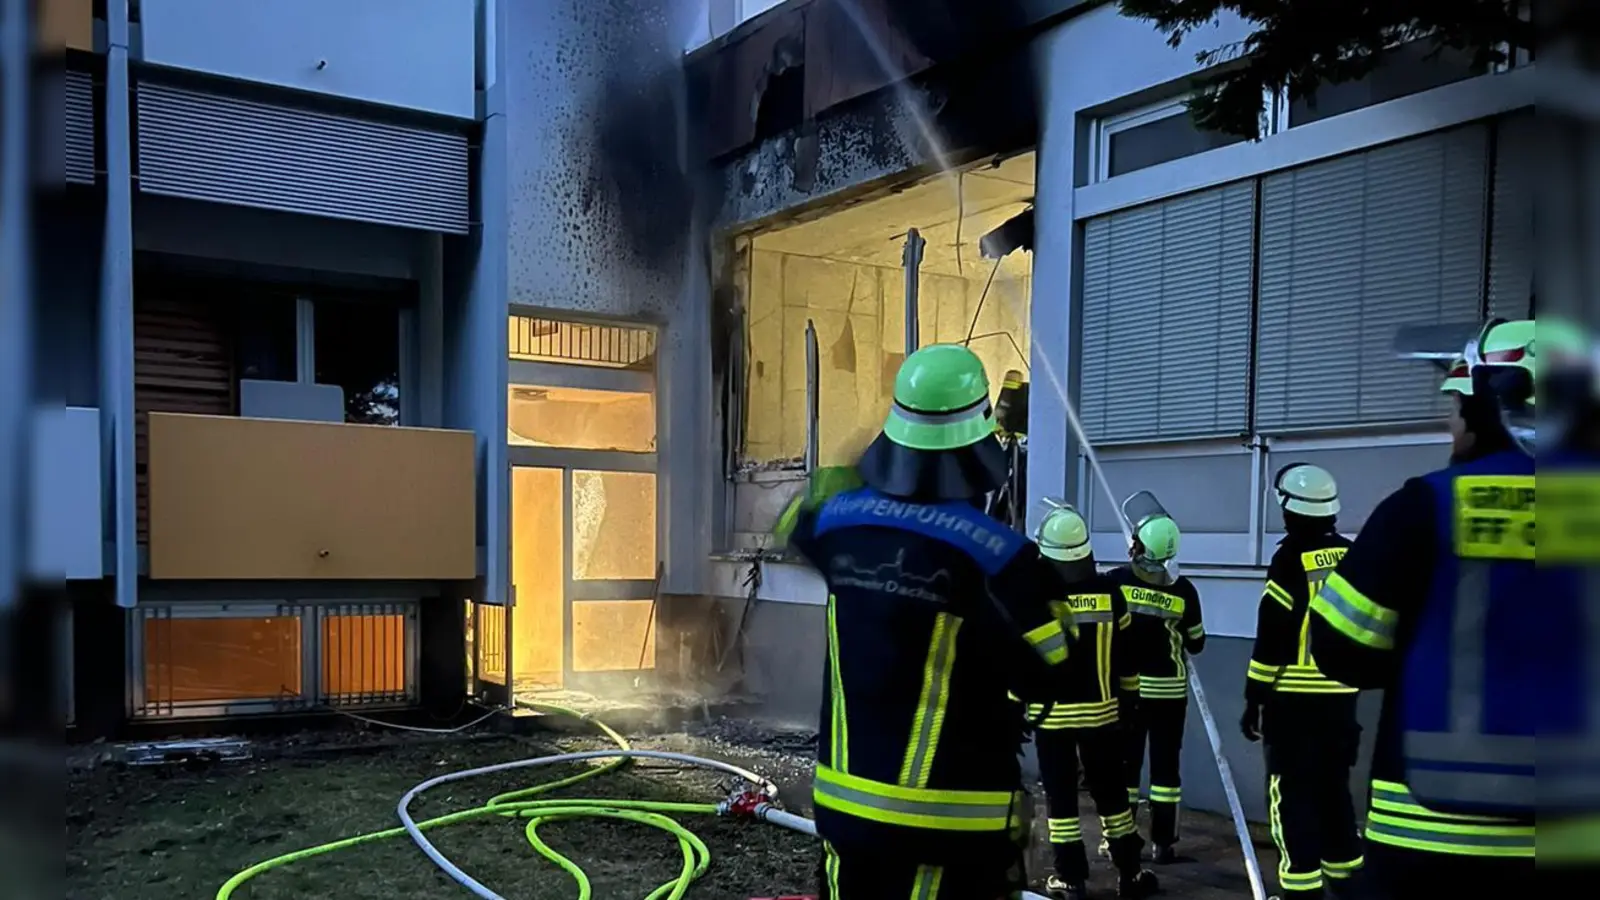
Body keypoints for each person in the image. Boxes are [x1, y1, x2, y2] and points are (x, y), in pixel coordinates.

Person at [776, 343, 1080, 900]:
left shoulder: (833, 522)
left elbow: (795, 518)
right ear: (977, 440)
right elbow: (1058, 662)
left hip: (847, 809)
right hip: (951, 823)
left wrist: (856, 474)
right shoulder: (999, 555)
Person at [1308, 318, 1537, 898]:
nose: (1449, 421)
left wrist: (1417, 650)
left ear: (1490, 409)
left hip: (1427, 828)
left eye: (1458, 403)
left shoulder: (1425, 505)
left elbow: (1338, 645)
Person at [1240, 464, 1364, 897]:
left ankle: (1300, 892)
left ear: (1289, 508)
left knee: (1292, 804)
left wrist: (1253, 697)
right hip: (1341, 703)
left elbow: (1272, 635)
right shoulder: (1353, 556)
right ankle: (1349, 889)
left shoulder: (1289, 559)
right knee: (1336, 798)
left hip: (1292, 703)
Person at [1029, 503, 1159, 900]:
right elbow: (1128, 658)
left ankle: (1070, 879)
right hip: (1103, 716)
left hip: (1052, 718)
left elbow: (1022, 660)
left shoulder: (1035, 598)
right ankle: (1130, 873)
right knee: (1113, 797)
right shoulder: (1110, 593)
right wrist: (1131, 704)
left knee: (1061, 801)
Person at [1108, 497, 1204, 863]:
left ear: (1138, 545)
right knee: (1166, 770)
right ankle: (1164, 843)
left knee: (1127, 767)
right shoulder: (1185, 591)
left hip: (1128, 691)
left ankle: (1121, 840)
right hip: (1171, 692)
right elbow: (1196, 643)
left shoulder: (1116, 582)